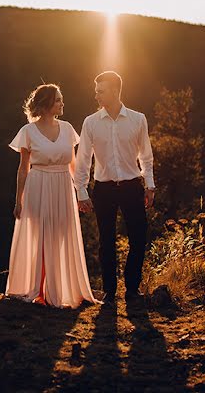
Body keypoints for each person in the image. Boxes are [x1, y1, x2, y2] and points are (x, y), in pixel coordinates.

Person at [5, 83, 98, 308]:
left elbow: (74, 165)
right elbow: (23, 169)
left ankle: (58, 289)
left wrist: (81, 193)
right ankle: (38, 289)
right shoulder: (27, 132)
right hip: (37, 185)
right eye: (58, 100)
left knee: (61, 235)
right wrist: (18, 200)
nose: (62, 104)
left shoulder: (67, 129)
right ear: (47, 104)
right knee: (40, 236)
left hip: (62, 186)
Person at [74, 71, 156, 305]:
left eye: (101, 91)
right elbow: (83, 160)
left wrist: (149, 185)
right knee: (106, 241)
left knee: (138, 237)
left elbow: (146, 156)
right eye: (96, 90)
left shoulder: (138, 119)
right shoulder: (90, 122)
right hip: (104, 189)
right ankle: (110, 291)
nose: (96, 95)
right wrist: (81, 191)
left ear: (115, 91)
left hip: (132, 186)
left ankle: (132, 288)